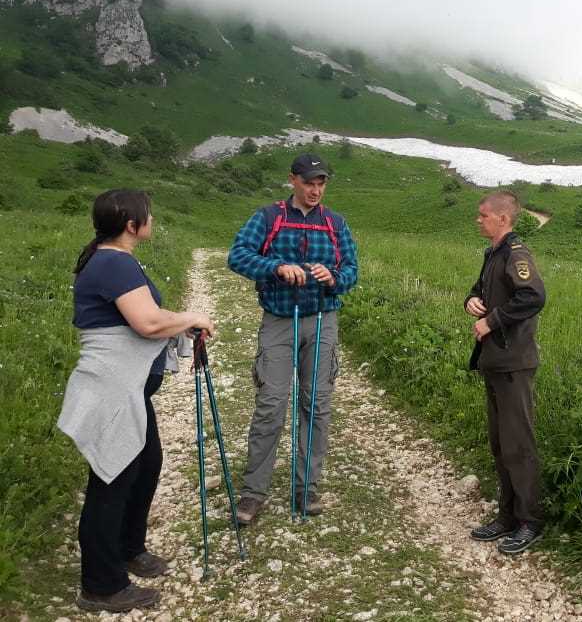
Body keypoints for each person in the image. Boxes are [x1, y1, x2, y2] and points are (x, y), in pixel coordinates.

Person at [58, 189, 215, 613]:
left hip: (125, 388)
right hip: (111, 387)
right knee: (112, 480)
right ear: (132, 224)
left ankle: (130, 547)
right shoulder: (112, 262)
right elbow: (146, 322)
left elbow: (144, 318)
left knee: (145, 464)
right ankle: (101, 585)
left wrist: (178, 324)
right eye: (150, 215)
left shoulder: (114, 260)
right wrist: (192, 318)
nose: (153, 219)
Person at [228, 152, 358, 525]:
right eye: (308, 183)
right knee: (271, 403)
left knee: (316, 403)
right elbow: (237, 256)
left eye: (321, 183)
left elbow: (351, 270)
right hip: (279, 319)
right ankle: (254, 492)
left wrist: (332, 277)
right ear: (293, 181)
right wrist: (276, 267)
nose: (315, 190)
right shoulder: (268, 217)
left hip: (322, 319)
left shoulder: (335, 223)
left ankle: (307, 486)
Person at [464, 190, 547, 554]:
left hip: (514, 363)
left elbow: (533, 297)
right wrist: (470, 301)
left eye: (483, 215)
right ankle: (507, 516)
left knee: (519, 445)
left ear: (503, 219)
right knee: (500, 444)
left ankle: (530, 521)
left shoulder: (517, 254)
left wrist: (492, 322)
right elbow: (482, 290)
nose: (478, 220)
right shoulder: (492, 254)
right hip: (495, 362)